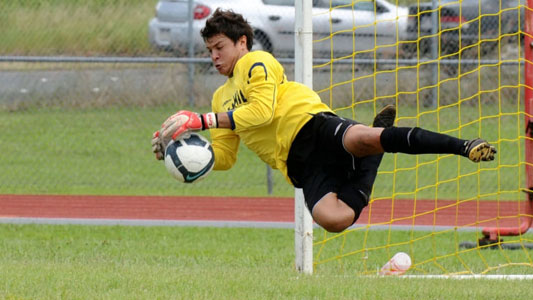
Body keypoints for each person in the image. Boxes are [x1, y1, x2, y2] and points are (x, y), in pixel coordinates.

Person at [151, 9, 496, 233]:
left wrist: (200, 120)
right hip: (297, 163)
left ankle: (463, 146)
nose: (213, 56)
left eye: (219, 47)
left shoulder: (257, 62)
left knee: (363, 138)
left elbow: (262, 112)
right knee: (334, 219)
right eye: (209, 49)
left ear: (241, 42)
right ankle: (372, 159)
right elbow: (225, 157)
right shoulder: (219, 99)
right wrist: (184, 155)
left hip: (312, 126)